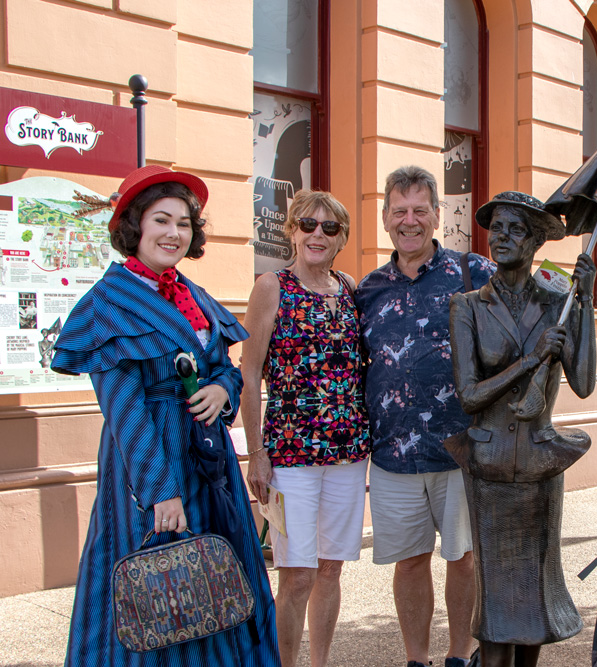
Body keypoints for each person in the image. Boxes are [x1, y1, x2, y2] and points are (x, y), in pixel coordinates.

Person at [52, 165, 279, 666]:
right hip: (151, 473)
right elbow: (125, 411)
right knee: (158, 591)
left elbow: (225, 367)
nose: (174, 233)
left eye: (183, 223)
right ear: (134, 227)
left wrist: (222, 389)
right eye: (161, 220)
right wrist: (160, 494)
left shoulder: (191, 296)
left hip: (207, 467)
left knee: (213, 584)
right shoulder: (109, 305)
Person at [445, 192, 596, 667]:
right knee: (495, 610)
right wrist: (530, 360)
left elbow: (586, 382)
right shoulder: (467, 305)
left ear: (535, 242)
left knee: (536, 601)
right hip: (488, 467)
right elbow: (469, 396)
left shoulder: (559, 303)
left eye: (516, 229)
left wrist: (585, 303)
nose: (502, 238)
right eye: (498, 228)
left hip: (539, 465)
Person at [354, 165, 495, 667]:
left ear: (437, 216)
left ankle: (460, 654)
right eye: (399, 211)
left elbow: (526, 311)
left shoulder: (472, 273)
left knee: (462, 558)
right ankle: (417, 658)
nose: (409, 220)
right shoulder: (367, 290)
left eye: (419, 210)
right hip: (392, 453)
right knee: (409, 562)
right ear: (386, 218)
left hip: (461, 447)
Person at [241, 190, 371, 667]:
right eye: (308, 225)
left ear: (341, 238)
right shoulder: (271, 286)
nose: (318, 234)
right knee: (296, 574)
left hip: (349, 452)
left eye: (329, 228)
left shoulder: (350, 288)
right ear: (292, 230)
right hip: (291, 454)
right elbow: (249, 374)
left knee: (332, 570)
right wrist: (256, 451)